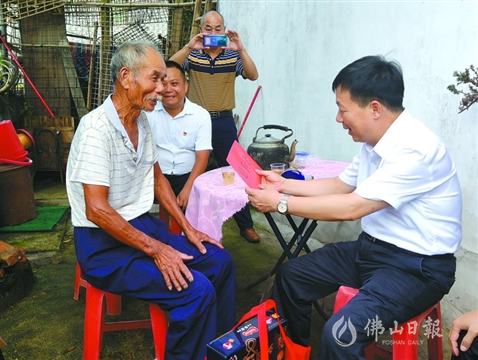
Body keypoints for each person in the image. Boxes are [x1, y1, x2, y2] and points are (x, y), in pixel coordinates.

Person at [246, 55, 462, 359]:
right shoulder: (375, 142)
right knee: (291, 276)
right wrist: (280, 183)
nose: (338, 118)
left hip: (417, 269)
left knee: (340, 335)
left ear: (374, 108)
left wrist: (281, 204)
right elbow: (340, 185)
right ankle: (294, 352)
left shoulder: (416, 150)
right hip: (372, 251)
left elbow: (352, 207)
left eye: (342, 109)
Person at [66, 41, 235, 359]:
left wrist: (187, 228)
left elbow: (157, 179)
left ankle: (221, 349)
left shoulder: (141, 121)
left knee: (218, 261)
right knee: (196, 290)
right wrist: (158, 250)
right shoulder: (95, 131)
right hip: (103, 247)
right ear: (127, 77)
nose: (162, 89)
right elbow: (97, 209)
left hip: (139, 226)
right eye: (155, 78)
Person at [170, 10, 261, 243]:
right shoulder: (193, 55)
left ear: (224, 30)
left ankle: (245, 225)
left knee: (236, 171)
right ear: (201, 30)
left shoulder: (232, 55)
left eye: (218, 28)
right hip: (196, 121)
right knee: (192, 169)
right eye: (208, 28)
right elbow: (168, 68)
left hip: (223, 121)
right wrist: (190, 47)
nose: (213, 33)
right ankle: (188, 223)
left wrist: (241, 48)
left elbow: (252, 75)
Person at [146, 60, 211, 211]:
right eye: (164, 83)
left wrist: (189, 189)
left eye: (174, 84)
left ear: (186, 86)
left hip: (188, 177)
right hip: (154, 178)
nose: (168, 89)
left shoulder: (201, 115)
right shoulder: (148, 113)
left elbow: (203, 157)